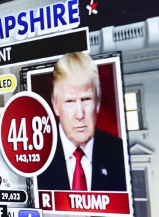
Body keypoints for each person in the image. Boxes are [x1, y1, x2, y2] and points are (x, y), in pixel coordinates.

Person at [37, 52, 127, 192]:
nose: (80, 114)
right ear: (55, 106)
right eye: (70, 101)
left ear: (97, 102)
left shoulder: (118, 153)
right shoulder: (38, 154)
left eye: (86, 99)